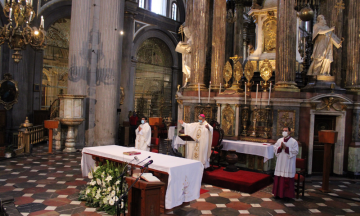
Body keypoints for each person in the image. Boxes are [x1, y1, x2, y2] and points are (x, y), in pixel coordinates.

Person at [272, 127, 299, 199]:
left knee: (287, 176)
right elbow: (275, 148)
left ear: (290, 132)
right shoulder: (279, 140)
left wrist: (286, 148)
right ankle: (277, 193)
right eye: (283, 130)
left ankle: (287, 195)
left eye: (286, 131)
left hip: (288, 162)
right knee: (279, 176)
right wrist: (280, 148)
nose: (284, 132)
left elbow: (295, 151)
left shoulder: (294, 141)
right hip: (280, 161)